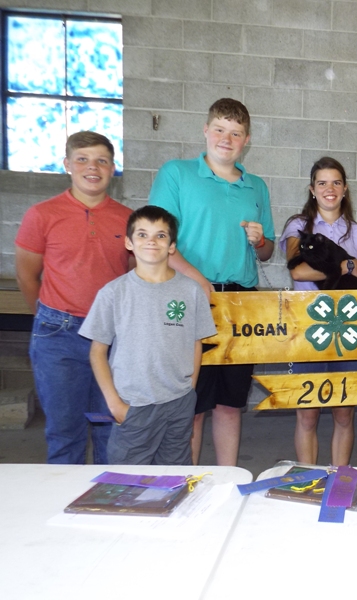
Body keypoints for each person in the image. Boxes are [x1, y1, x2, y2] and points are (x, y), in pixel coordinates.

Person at [148, 98, 275, 466]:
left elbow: (267, 252)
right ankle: (185, 483)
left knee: (230, 403)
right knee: (191, 403)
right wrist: (199, 281)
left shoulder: (256, 187)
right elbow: (158, 242)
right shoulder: (177, 173)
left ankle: (226, 479)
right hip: (188, 295)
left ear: (246, 140)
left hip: (240, 303)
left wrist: (260, 242)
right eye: (219, 129)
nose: (226, 139)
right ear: (206, 130)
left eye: (235, 133)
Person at [15, 131, 132, 464]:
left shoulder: (127, 218)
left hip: (112, 337)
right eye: (82, 159)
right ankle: (68, 493)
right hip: (59, 337)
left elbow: (135, 277)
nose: (92, 167)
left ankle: (109, 494)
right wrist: (50, 318)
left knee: (112, 427)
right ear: (67, 164)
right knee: (65, 432)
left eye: (102, 160)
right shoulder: (42, 214)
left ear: (112, 168)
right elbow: (27, 276)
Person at [79, 206, 217, 465]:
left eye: (160, 235)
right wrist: (115, 404)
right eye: (142, 234)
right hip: (134, 404)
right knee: (127, 479)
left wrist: (190, 391)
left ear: (172, 246)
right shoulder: (113, 293)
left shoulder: (191, 291)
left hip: (179, 403)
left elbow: (195, 342)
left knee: (175, 475)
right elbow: (97, 352)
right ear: (129, 243)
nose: (151, 241)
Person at [279, 157, 357, 466]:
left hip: (349, 328)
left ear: (345, 188)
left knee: (344, 412)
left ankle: (340, 477)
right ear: (312, 189)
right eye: (322, 183)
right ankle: (308, 476)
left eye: (336, 182)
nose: (329, 189)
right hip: (308, 328)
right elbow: (298, 271)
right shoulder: (298, 226)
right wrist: (345, 266)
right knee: (307, 414)